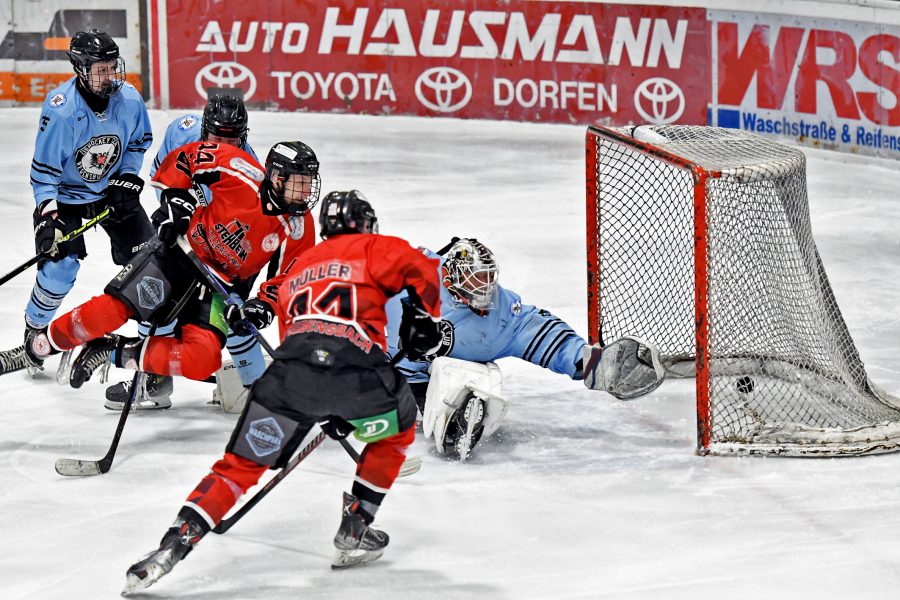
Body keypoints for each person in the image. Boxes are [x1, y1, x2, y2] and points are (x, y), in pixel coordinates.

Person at [120, 190, 442, 594]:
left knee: (237, 469)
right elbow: (424, 269)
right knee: (399, 428)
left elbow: (298, 340)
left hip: (289, 376)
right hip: (356, 370)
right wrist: (425, 319)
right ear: (366, 223)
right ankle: (356, 525)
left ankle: (172, 546)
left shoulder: (303, 264)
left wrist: (321, 405)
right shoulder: (377, 246)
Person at [7, 140, 319, 392]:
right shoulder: (238, 169)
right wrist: (176, 201)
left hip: (220, 289)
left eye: (308, 184)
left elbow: (292, 276)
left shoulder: (299, 225)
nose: (306, 193)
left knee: (203, 358)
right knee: (110, 312)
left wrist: (263, 305)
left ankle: (116, 352)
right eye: (300, 184)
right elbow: (185, 158)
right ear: (277, 178)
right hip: (179, 254)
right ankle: (41, 346)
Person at [384, 237, 666, 460]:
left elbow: (537, 332)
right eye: (473, 280)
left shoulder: (501, 312)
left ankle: (458, 420)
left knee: (463, 375)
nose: (483, 289)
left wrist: (588, 363)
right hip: (400, 370)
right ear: (450, 279)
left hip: (431, 369)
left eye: (486, 278)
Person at [102, 93, 272, 411]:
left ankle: (256, 389)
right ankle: (152, 379)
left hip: (232, 252)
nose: (223, 145)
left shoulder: (249, 177)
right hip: (186, 234)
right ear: (204, 130)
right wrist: (172, 211)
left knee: (229, 315)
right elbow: (163, 178)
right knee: (152, 295)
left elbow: (242, 238)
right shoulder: (182, 131)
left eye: (231, 140)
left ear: (244, 137)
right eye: (216, 137)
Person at [0, 29, 154, 377]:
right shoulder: (62, 110)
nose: (110, 75)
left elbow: (138, 143)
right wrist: (50, 215)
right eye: (101, 69)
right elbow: (44, 173)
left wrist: (126, 177)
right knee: (59, 268)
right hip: (68, 199)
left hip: (112, 193)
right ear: (80, 69)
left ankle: (149, 350)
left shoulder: (129, 99)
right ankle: (34, 332)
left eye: (113, 66)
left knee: (149, 267)